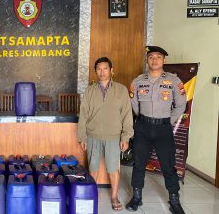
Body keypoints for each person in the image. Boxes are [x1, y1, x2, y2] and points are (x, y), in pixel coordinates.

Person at [126, 46, 186, 214]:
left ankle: (174, 199)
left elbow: (181, 104)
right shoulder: (137, 81)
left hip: (163, 129)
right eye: (151, 57)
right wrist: (143, 119)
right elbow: (134, 104)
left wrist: (169, 121)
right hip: (143, 127)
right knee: (138, 164)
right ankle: (136, 197)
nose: (154, 60)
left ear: (164, 60)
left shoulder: (174, 81)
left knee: (168, 165)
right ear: (147, 60)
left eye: (158, 57)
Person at [78, 57, 133, 211]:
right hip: (93, 135)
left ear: (111, 70)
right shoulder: (89, 90)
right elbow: (83, 115)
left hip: (113, 137)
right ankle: (92, 195)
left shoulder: (121, 90)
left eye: (105, 68)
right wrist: (82, 136)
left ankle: (114, 196)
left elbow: (127, 115)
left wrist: (125, 137)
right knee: (93, 168)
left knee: (113, 169)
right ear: (95, 71)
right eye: (99, 69)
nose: (102, 72)